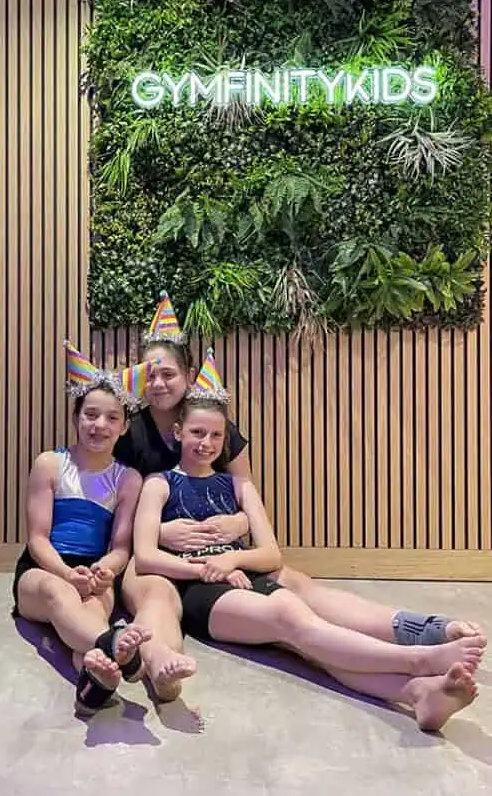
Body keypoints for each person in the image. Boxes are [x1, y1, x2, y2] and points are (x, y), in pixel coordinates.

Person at [115, 291, 484, 702]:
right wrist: (166, 535)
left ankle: (422, 652)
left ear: (188, 374)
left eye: (168, 374)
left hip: (228, 551)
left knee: (300, 594)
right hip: (166, 558)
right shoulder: (134, 437)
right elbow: (126, 516)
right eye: (151, 374)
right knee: (267, 615)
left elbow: (245, 494)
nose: (159, 383)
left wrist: (237, 530)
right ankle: (416, 662)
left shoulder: (214, 422)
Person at [13, 341, 151, 715]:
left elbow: (121, 547)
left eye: (111, 418)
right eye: (90, 414)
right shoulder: (49, 464)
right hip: (44, 570)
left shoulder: (128, 479)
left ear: (124, 426)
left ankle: (94, 684)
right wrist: (65, 574)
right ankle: (118, 648)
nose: (99, 425)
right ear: (76, 418)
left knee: (89, 622)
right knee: (59, 595)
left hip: (95, 573)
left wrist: (105, 570)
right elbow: (37, 538)